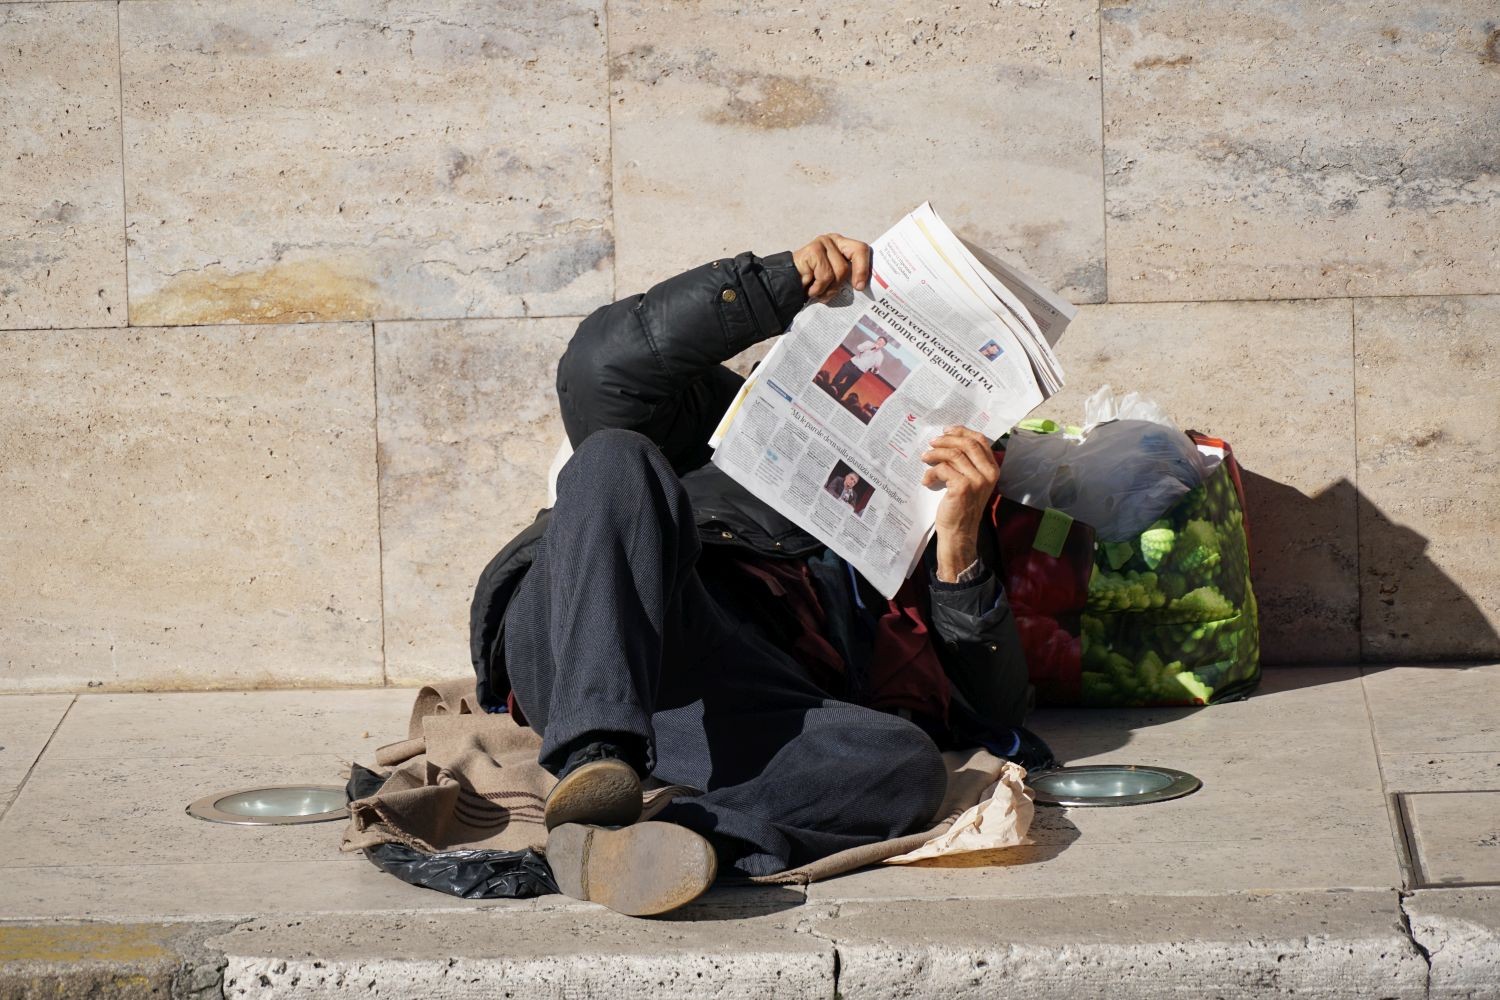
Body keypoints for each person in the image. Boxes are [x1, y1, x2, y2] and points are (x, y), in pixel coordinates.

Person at [469, 234, 1041, 916]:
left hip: (735, 699)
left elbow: (996, 710)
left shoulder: (950, 523)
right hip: (591, 633)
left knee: (910, 768)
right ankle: (595, 757)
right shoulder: (726, 424)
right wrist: (772, 285)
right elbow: (602, 370)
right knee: (613, 458)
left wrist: (958, 544)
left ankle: (649, 845)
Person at [829, 333, 888, 399]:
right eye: (879, 340)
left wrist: (876, 368)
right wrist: (871, 347)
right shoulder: (868, 343)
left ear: (883, 346)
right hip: (851, 364)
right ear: (877, 340)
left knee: (846, 387)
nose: (880, 343)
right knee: (837, 378)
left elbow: (876, 367)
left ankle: (837, 398)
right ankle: (829, 390)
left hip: (859, 371)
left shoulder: (880, 356)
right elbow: (859, 348)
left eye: (882, 343)